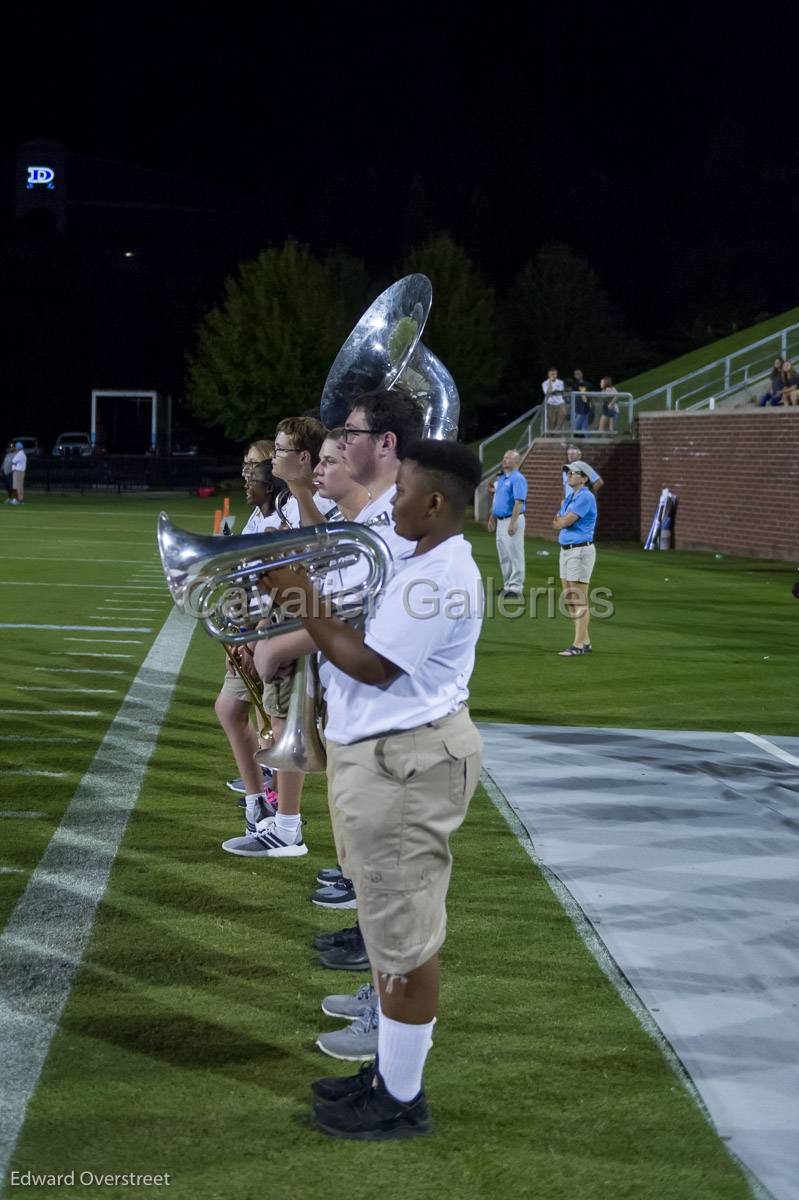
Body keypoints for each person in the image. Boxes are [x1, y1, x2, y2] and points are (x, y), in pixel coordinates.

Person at [263, 438, 484, 1141]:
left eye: (403, 493)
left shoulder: (437, 575)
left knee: (401, 939)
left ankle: (400, 1100)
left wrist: (298, 596)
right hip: (387, 759)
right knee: (389, 924)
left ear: (435, 502)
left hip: (404, 766)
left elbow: (370, 663)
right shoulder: (418, 556)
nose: (391, 505)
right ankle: (391, 1075)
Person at [222, 415, 332, 860]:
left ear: (301, 458)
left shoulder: (315, 499)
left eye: (281, 451)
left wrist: (267, 631)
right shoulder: (286, 506)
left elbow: (317, 557)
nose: (274, 460)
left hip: (299, 627)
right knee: (262, 719)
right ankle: (271, 814)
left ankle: (286, 825)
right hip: (274, 622)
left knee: (288, 727)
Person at [214, 442, 281, 835]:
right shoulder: (259, 514)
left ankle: (276, 808)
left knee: (275, 720)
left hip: (268, 628)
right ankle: (263, 798)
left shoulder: (281, 514)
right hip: (253, 626)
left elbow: (281, 582)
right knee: (242, 711)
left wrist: (254, 635)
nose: (245, 473)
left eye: (252, 466)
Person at [553, 460, 598, 656]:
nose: (569, 475)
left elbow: (565, 521)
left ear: (584, 478)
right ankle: (585, 641)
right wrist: (561, 521)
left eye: (573, 472)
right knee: (570, 598)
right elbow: (557, 521)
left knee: (579, 599)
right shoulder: (570, 497)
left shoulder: (585, 497)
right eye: (568, 472)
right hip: (566, 550)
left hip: (579, 551)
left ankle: (578, 645)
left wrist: (562, 521)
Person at [487, 449, 527, 597]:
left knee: (515, 554)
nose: (505, 460)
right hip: (501, 520)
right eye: (504, 457)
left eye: (509, 458)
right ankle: (507, 586)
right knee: (504, 555)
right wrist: (492, 517)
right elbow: (497, 500)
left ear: (517, 462)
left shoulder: (518, 479)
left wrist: (513, 523)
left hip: (512, 518)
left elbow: (518, 502)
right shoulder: (503, 478)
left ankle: (516, 588)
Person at [542, 367, 565, 432]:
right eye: (552, 374)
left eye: (555, 374)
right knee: (552, 422)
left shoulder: (560, 382)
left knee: (563, 414)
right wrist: (550, 381)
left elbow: (560, 392)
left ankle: (557, 430)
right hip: (551, 404)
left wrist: (552, 392)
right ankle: (552, 434)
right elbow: (549, 392)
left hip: (560, 403)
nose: (554, 376)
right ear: (548, 375)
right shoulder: (544, 383)